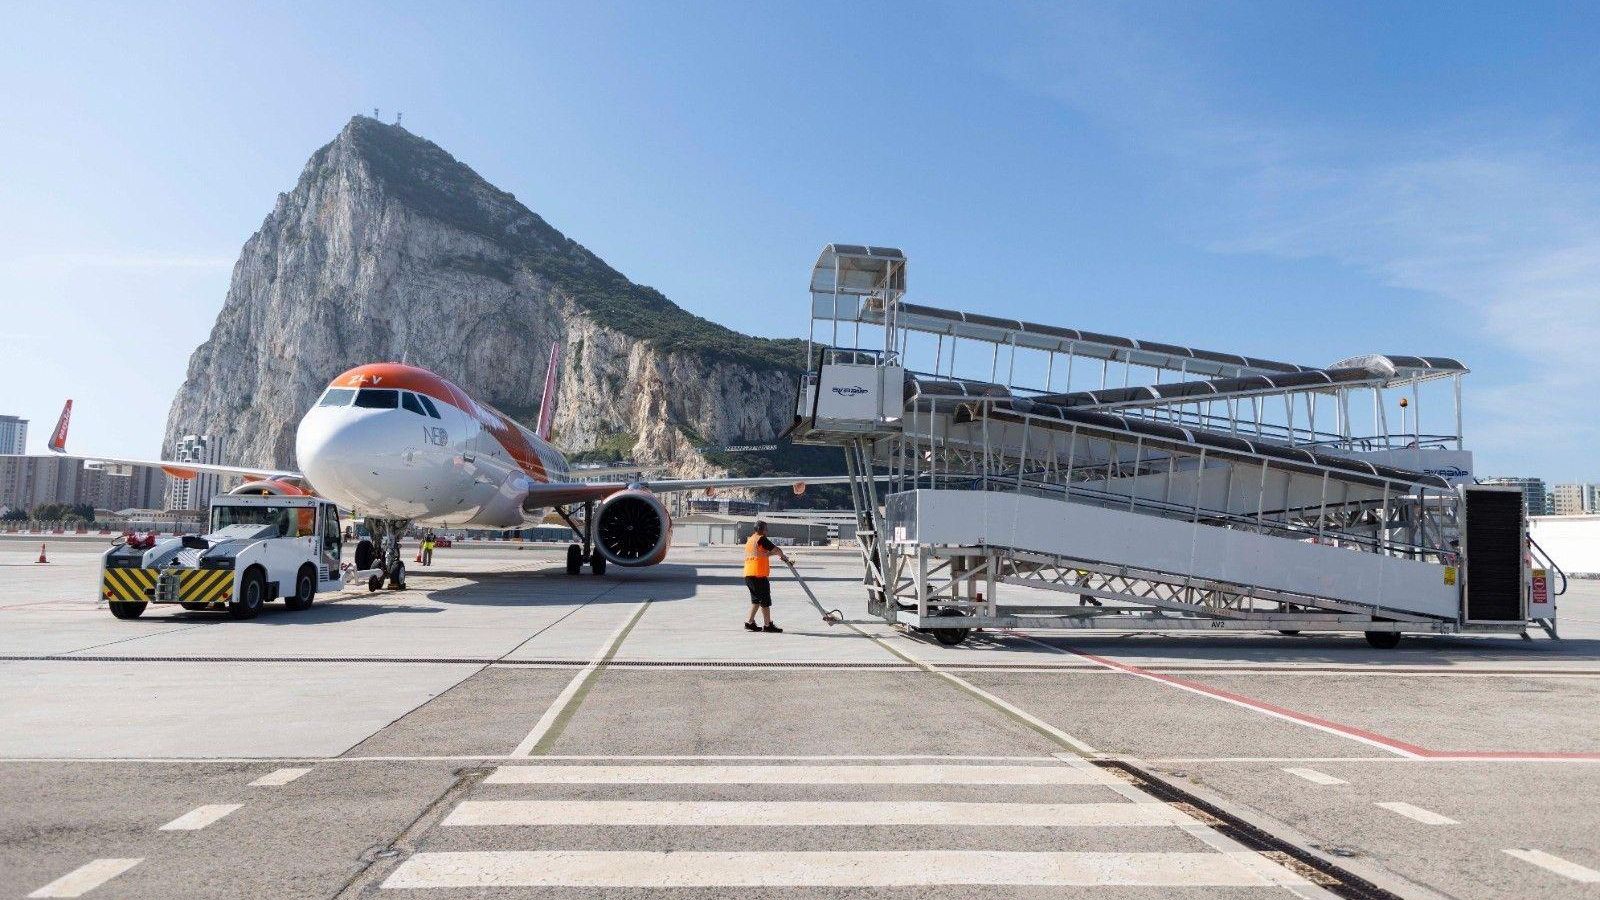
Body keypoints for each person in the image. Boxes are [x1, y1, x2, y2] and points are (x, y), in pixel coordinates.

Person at [743, 521, 790, 633]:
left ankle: (751, 622)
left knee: (757, 600)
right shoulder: (761, 539)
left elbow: (762, 554)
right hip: (758, 575)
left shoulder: (751, 540)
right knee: (764, 600)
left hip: (749, 574)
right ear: (761, 529)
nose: (767, 531)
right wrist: (783, 557)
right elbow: (777, 550)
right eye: (765, 529)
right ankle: (767, 625)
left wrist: (772, 554)